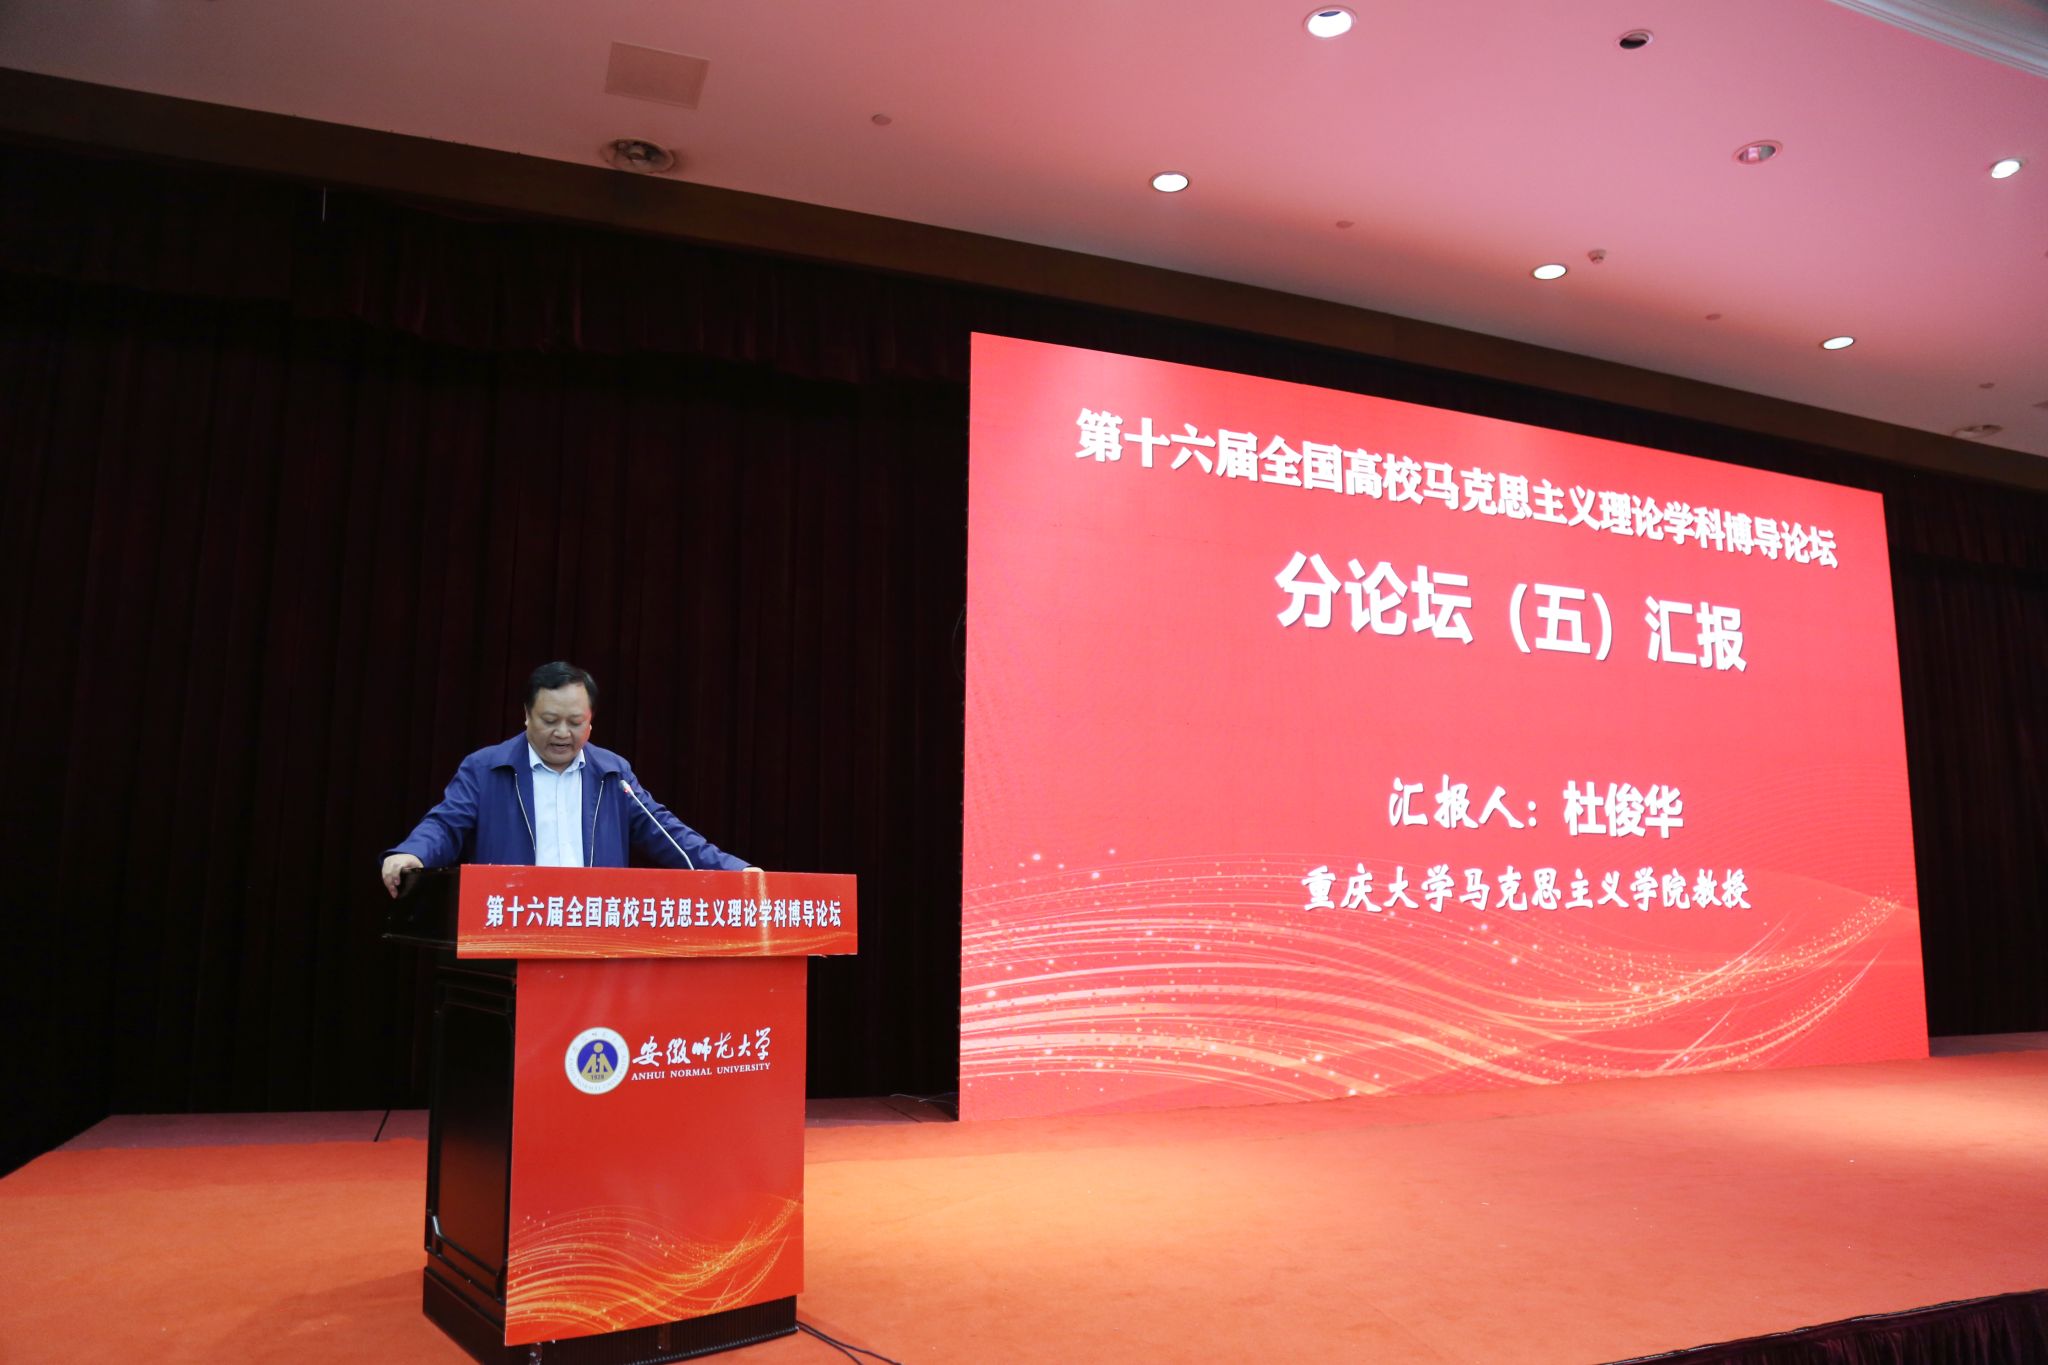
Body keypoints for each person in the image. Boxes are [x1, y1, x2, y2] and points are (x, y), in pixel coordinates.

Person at [380, 661, 748, 895]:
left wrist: (736, 871)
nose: (562, 733)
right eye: (550, 720)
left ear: (591, 721)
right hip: (512, 920)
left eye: (575, 722)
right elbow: (445, 825)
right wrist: (413, 853)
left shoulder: (612, 773)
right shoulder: (486, 768)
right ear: (527, 715)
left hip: (593, 927)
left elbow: (667, 833)